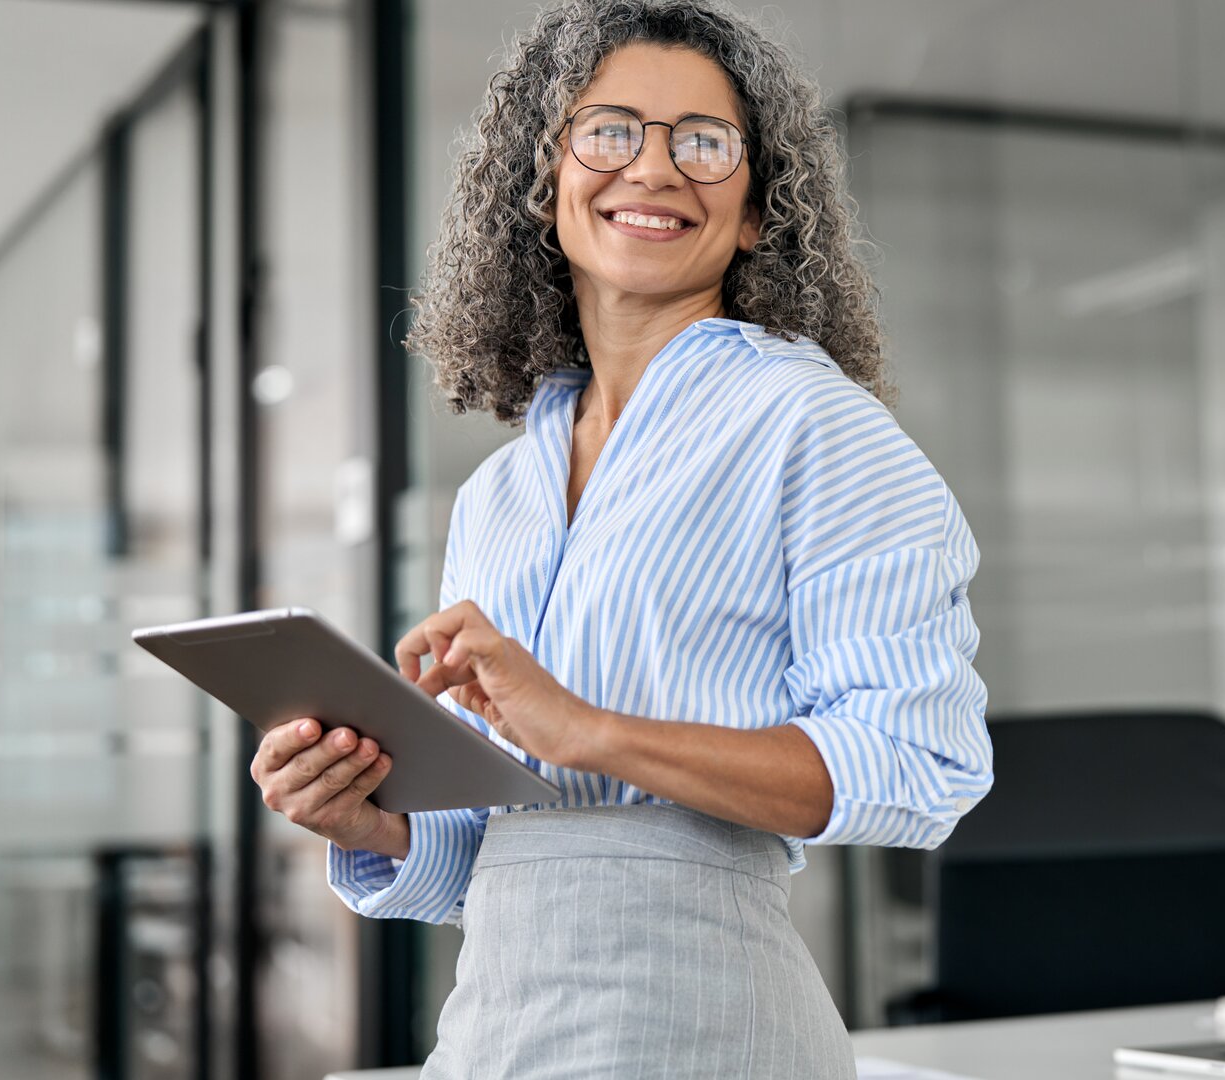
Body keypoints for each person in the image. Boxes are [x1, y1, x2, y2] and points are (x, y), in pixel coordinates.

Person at [244, 2, 993, 1076]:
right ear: (544, 187)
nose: (653, 168)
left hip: (704, 1026)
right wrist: (371, 819)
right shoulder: (501, 492)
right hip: (498, 1035)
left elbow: (921, 765)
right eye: (608, 131)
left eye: (703, 142)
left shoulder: (811, 424)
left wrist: (590, 729)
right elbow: (505, 850)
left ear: (756, 214)